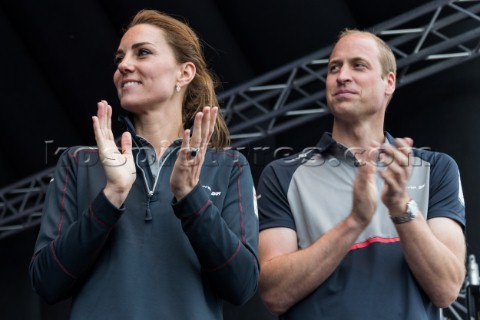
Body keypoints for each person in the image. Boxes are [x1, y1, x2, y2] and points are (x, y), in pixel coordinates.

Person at [29, 9, 259, 319]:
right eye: (120, 58)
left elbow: (243, 286)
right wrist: (112, 195)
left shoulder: (229, 166)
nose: (124, 65)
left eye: (143, 53)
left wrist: (191, 197)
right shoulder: (78, 163)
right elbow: (46, 282)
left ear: (184, 73)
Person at [256, 29, 466, 319]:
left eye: (358, 65)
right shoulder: (281, 174)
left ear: (389, 82)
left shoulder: (437, 168)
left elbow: (447, 289)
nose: (342, 76)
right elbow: (274, 295)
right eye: (334, 68)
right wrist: (354, 222)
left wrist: (401, 208)